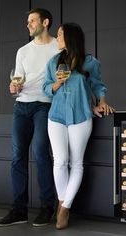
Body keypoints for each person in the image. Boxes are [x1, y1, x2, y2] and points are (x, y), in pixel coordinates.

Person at [43, 22, 114, 229]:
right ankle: (63, 201)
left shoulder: (90, 62)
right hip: (55, 117)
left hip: (81, 116)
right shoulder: (53, 62)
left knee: (77, 163)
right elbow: (46, 88)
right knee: (60, 161)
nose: (57, 38)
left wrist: (101, 102)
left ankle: (64, 208)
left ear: (71, 38)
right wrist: (56, 84)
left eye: (60, 35)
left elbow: (98, 85)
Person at [0, 8, 59, 227]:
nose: (28, 24)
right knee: (17, 156)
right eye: (28, 21)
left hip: (45, 105)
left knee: (41, 152)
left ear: (45, 22)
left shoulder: (58, 48)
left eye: (32, 21)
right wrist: (14, 87)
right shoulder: (23, 51)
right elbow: (17, 83)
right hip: (21, 106)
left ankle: (47, 207)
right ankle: (19, 210)